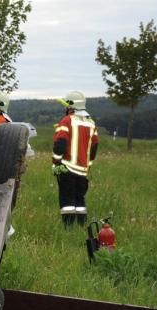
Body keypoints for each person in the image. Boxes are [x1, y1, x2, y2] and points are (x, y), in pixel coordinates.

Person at [52, 91, 98, 226]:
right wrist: (88, 164)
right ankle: (81, 225)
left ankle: (68, 228)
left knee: (67, 200)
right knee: (80, 200)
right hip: (83, 171)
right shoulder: (91, 123)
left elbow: (60, 142)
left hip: (67, 168)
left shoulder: (67, 120)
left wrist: (56, 162)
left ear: (71, 106)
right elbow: (94, 147)